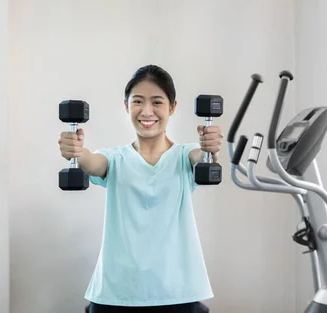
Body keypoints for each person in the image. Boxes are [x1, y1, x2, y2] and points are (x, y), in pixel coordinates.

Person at [58, 64, 222, 313]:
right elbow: (92, 163)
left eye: (157, 102)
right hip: (117, 293)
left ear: (172, 107)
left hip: (176, 292)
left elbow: (201, 156)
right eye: (137, 102)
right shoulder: (115, 159)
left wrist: (211, 146)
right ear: (126, 106)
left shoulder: (184, 156)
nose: (147, 111)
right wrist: (76, 152)